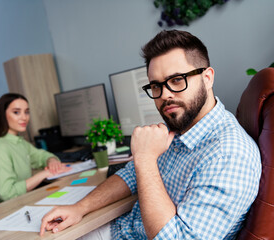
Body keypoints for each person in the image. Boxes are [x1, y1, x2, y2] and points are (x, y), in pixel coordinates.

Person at [40, 30, 262, 239]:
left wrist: (145, 159)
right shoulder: (182, 129)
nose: (164, 95)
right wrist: (80, 208)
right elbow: (130, 176)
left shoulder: (228, 155)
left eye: (177, 80)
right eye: (156, 86)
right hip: (120, 229)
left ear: (207, 78)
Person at [0, 93, 69, 204]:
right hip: (3, 206)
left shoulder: (20, 142)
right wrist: (43, 174)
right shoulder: (0, 147)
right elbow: (7, 193)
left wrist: (51, 160)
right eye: (16, 112)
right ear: (3, 115)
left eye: (26, 112)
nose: (24, 117)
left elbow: (40, 156)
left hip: (21, 199)